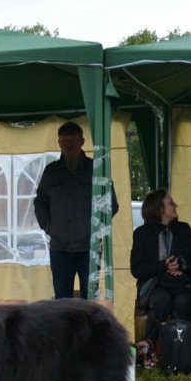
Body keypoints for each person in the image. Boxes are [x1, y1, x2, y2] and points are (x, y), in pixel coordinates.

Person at [35, 121, 118, 299]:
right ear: (59, 143)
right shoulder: (51, 171)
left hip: (90, 247)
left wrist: (96, 229)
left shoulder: (96, 169)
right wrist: (49, 228)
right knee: (62, 298)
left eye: (72, 139)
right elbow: (40, 202)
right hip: (59, 247)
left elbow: (112, 204)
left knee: (90, 297)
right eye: (64, 140)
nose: (69, 144)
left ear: (82, 141)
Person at [131, 189, 191, 368]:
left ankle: (180, 354)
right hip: (156, 286)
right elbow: (137, 269)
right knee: (161, 299)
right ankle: (150, 347)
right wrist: (163, 266)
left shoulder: (183, 229)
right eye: (171, 203)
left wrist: (182, 266)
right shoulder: (142, 233)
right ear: (159, 209)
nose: (175, 205)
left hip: (183, 286)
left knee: (182, 301)